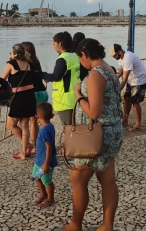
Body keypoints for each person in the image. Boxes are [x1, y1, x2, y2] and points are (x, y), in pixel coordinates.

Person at [58, 38, 123, 231]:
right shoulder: (109, 69)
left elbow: (94, 112)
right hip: (110, 131)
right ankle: (107, 226)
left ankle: (75, 225)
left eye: (80, 58)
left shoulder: (95, 75)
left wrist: (78, 93)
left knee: (77, 179)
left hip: (96, 136)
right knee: (107, 180)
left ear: (84, 55)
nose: (80, 62)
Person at [1, 43, 37, 160]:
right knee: (25, 125)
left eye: (11, 53)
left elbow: (2, 81)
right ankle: (25, 150)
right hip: (29, 96)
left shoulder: (11, 64)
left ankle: (28, 147)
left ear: (15, 54)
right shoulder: (28, 64)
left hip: (19, 97)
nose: (10, 55)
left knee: (11, 124)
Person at [38, 32, 80, 126]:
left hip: (65, 100)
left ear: (60, 44)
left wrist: (41, 74)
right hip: (76, 97)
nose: (53, 47)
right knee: (75, 127)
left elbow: (56, 77)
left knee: (68, 128)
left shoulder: (63, 59)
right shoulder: (74, 56)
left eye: (54, 44)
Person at [109, 43, 146, 131]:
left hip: (139, 80)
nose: (113, 57)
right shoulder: (121, 58)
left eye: (114, 55)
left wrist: (117, 90)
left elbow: (124, 78)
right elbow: (121, 71)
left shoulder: (128, 57)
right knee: (126, 99)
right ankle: (125, 120)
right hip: (131, 81)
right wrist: (114, 78)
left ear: (119, 52)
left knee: (135, 101)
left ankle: (138, 123)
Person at [31, 102, 58, 208]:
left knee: (47, 181)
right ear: (52, 116)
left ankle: (50, 198)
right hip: (39, 161)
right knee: (36, 177)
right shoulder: (49, 127)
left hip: (45, 162)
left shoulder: (45, 130)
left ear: (37, 116)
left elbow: (49, 147)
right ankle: (43, 194)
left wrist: (46, 163)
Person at [22, 41, 47, 154]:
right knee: (37, 120)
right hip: (42, 91)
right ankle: (39, 143)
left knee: (32, 121)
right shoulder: (36, 61)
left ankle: (34, 145)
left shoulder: (26, 63)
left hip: (34, 93)